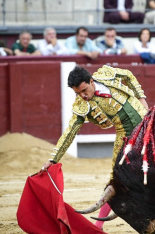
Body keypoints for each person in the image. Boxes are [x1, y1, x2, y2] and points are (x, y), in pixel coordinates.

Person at [40, 65, 149, 230]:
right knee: (117, 180)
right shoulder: (82, 106)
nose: (82, 96)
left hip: (147, 122)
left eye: (84, 90)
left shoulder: (106, 75)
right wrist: (53, 159)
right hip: (126, 136)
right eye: (77, 93)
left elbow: (127, 74)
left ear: (91, 81)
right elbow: (69, 133)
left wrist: (141, 97)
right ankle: (98, 226)